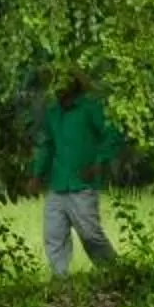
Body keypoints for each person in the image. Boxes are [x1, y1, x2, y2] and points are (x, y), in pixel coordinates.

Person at [30, 78, 123, 277]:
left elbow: (112, 134)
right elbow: (47, 145)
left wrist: (98, 163)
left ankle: (115, 272)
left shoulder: (90, 108)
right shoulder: (53, 113)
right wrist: (37, 175)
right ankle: (60, 278)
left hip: (82, 185)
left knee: (90, 234)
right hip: (57, 184)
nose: (58, 91)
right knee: (54, 234)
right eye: (55, 86)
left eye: (62, 85)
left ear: (74, 86)